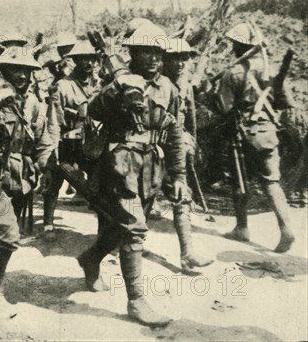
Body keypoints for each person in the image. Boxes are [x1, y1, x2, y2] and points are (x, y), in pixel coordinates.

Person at [79, 23, 184, 326]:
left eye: (157, 53)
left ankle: (90, 258)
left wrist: (179, 177)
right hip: (120, 166)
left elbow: (176, 134)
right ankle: (137, 301)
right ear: (133, 54)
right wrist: (117, 91)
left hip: (152, 167)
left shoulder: (168, 88)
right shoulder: (119, 80)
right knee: (134, 230)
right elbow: (94, 111)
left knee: (119, 230)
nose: (152, 58)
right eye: (145, 52)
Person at [0, 47, 53, 333]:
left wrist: (44, 165)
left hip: (19, 176)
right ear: (3, 70)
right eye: (15, 69)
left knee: (5, 235)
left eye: (27, 70)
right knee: (8, 233)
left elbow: (40, 136)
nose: (22, 75)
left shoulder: (32, 100)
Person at [215, 22, 295, 253]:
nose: (232, 48)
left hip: (242, 135)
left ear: (239, 46)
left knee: (238, 179)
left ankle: (242, 227)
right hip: (268, 133)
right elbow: (284, 103)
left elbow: (224, 107)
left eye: (234, 45)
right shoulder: (270, 69)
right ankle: (286, 227)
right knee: (271, 182)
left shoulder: (233, 73)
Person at [155, 38, 214, 272]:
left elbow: (190, 118)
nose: (180, 63)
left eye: (184, 58)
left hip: (175, 147)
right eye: (175, 58)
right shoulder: (156, 83)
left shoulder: (186, 85)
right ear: (165, 60)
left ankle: (187, 253)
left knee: (182, 195)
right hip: (153, 146)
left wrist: (192, 141)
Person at [43, 40, 101, 241]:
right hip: (70, 140)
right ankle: (48, 223)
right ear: (75, 61)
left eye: (91, 59)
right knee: (54, 175)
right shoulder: (63, 85)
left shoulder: (100, 85)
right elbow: (53, 118)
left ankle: (103, 227)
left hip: (93, 142)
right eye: (82, 59)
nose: (87, 63)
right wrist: (53, 146)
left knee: (99, 182)